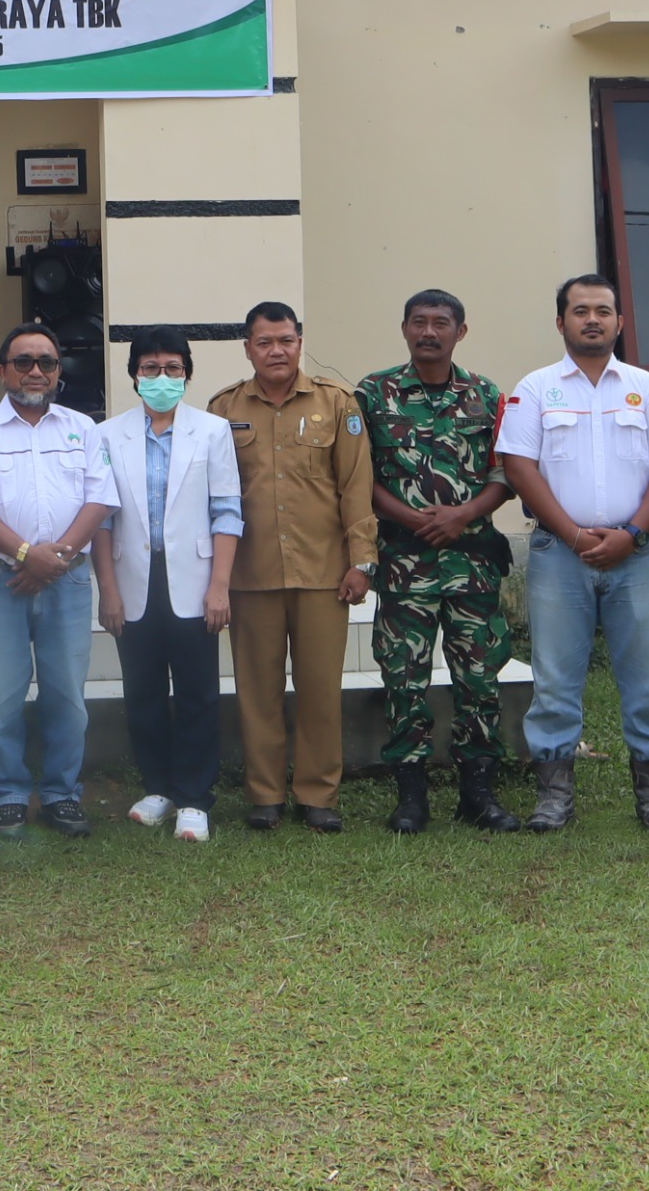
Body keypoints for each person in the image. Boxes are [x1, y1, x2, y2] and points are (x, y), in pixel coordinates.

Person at [497, 274, 649, 835]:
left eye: (603, 311)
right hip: (561, 554)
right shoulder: (534, 389)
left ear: (620, 323)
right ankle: (554, 796)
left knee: (647, 679)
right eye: (579, 311)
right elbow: (519, 467)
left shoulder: (646, 389)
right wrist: (577, 536)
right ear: (561, 323)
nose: (592, 319)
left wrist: (632, 533)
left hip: (638, 555)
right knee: (555, 679)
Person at [205, 302, 375, 833]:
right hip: (250, 574)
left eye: (286, 340)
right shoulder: (222, 409)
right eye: (264, 342)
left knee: (321, 689)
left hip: (323, 572)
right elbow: (210, 493)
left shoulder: (336, 403)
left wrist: (362, 560)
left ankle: (318, 793)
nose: (276, 351)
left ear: (300, 341)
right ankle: (264, 793)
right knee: (256, 690)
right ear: (248, 347)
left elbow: (355, 486)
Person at [357, 289, 522, 835]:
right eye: (419, 323)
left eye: (441, 323)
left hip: (471, 563)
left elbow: (505, 472)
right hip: (405, 565)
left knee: (479, 676)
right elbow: (361, 477)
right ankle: (411, 793)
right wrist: (410, 517)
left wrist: (463, 515)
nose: (430, 332)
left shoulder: (485, 394)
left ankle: (479, 790)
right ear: (404, 328)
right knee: (404, 676)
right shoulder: (374, 394)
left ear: (461, 332)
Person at [0, 322, 118, 838]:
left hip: (66, 581)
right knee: (1, 699)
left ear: (58, 371)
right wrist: (28, 555)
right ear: (2, 370)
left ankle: (62, 794)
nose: (35, 371)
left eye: (46, 362)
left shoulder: (84, 428)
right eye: (23, 361)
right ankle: (7, 794)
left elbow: (100, 498)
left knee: (67, 697)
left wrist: (57, 558)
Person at [96, 328, 241, 842]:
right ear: (134, 375)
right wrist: (107, 590)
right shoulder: (109, 434)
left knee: (199, 691)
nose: (162, 378)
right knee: (143, 691)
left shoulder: (212, 431)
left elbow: (227, 512)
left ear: (187, 375)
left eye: (173, 369)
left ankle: (195, 798)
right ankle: (157, 787)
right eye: (151, 368)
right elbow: (103, 519)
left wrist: (219, 586)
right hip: (133, 580)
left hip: (196, 580)